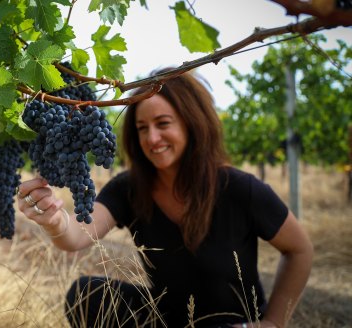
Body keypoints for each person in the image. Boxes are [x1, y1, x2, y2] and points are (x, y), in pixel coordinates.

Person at [16, 69, 313, 328]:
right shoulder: (129, 188)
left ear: (191, 123)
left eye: (163, 123)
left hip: (231, 325)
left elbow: (300, 249)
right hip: (166, 319)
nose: (152, 138)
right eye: (142, 128)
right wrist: (55, 220)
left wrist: (274, 322)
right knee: (86, 295)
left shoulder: (238, 188)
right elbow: (78, 236)